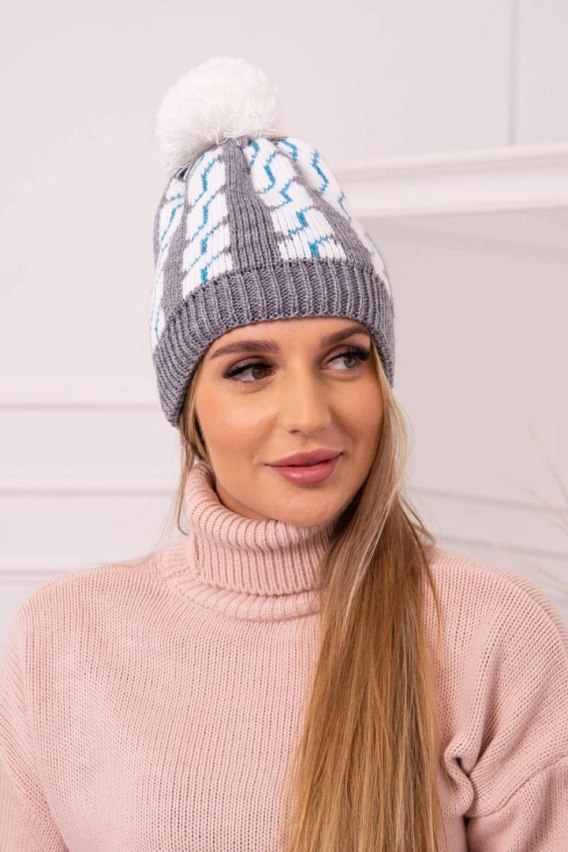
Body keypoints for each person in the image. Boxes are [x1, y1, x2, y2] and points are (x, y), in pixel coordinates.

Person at [1, 56, 567, 852]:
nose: (309, 414)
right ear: (190, 409)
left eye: (345, 357)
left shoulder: (494, 633)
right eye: (250, 369)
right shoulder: (61, 638)